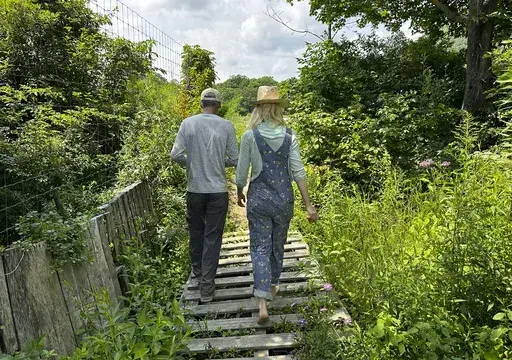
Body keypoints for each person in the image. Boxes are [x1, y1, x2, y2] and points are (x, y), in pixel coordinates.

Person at [235, 86, 318, 324]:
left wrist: (240, 191)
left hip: (259, 199)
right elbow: (298, 171)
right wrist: (308, 205)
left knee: (260, 246)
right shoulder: (290, 136)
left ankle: (262, 302)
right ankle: (271, 287)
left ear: (259, 108)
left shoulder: (250, 136)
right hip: (283, 200)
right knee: (277, 245)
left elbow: (242, 172)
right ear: (278, 108)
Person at [171, 88, 238, 303]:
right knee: (213, 237)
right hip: (218, 191)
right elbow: (235, 159)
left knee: (196, 233)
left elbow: (175, 155)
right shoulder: (226, 125)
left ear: (201, 104)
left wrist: (192, 165)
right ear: (218, 105)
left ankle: (197, 276)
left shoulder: (187, 124)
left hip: (195, 190)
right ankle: (207, 288)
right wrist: (218, 162)